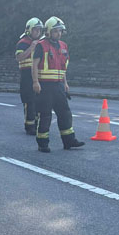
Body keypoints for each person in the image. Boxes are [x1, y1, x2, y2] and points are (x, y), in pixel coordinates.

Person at [31, 17, 85, 152]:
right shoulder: (41, 45)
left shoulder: (63, 46)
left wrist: (65, 83)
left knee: (65, 113)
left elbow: (62, 67)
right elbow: (35, 65)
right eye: (56, 31)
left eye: (60, 31)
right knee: (45, 115)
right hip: (45, 86)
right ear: (49, 31)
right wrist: (35, 82)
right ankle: (42, 143)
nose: (58, 34)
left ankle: (69, 141)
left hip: (59, 86)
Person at [15, 18, 43, 135]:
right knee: (29, 101)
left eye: (39, 30)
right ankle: (29, 126)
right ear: (29, 30)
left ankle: (37, 125)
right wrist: (31, 47)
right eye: (35, 30)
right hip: (27, 75)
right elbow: (19, 57)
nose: (38, 32)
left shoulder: (42, 43)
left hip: (38, 75)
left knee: (39, 101)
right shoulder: (22, 42)